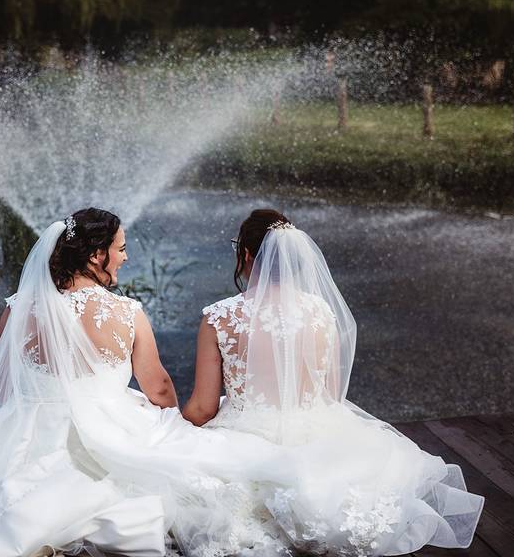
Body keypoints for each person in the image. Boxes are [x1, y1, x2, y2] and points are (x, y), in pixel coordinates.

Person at [0, 207, 280, 557]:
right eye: (121, 249)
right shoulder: (126, 313)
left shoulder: (20, 306)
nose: (125, 258)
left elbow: (1, 383)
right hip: (109, 427)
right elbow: (159, 388)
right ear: (97, 256)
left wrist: (5, 428)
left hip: (26, 429)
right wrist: (171, 426)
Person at [181, 209, 484, 556]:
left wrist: (175, 426)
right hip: (319, 432)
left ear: (247, 254)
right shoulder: (321, 311)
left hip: (244, 434)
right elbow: (331, 395)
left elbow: (203, 408)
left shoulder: (219, 317)